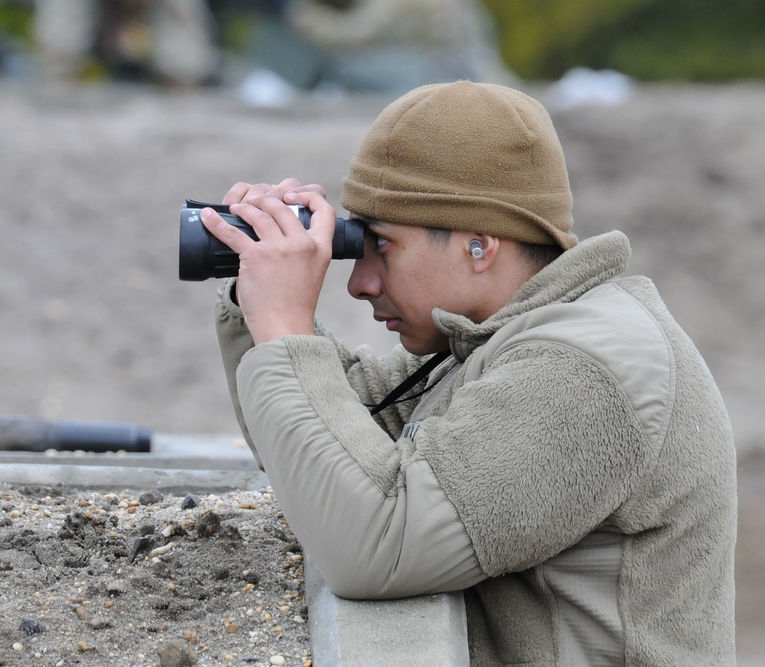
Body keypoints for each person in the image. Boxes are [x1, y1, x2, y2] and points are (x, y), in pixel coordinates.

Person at [199, 81, 737, 665]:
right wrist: (254, 287)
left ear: (479, 247)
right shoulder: (506, 336)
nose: (358, 282)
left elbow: (378, 546)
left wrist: (285, 324)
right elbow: (343, 438)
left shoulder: (582, 370)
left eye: (381, 244)